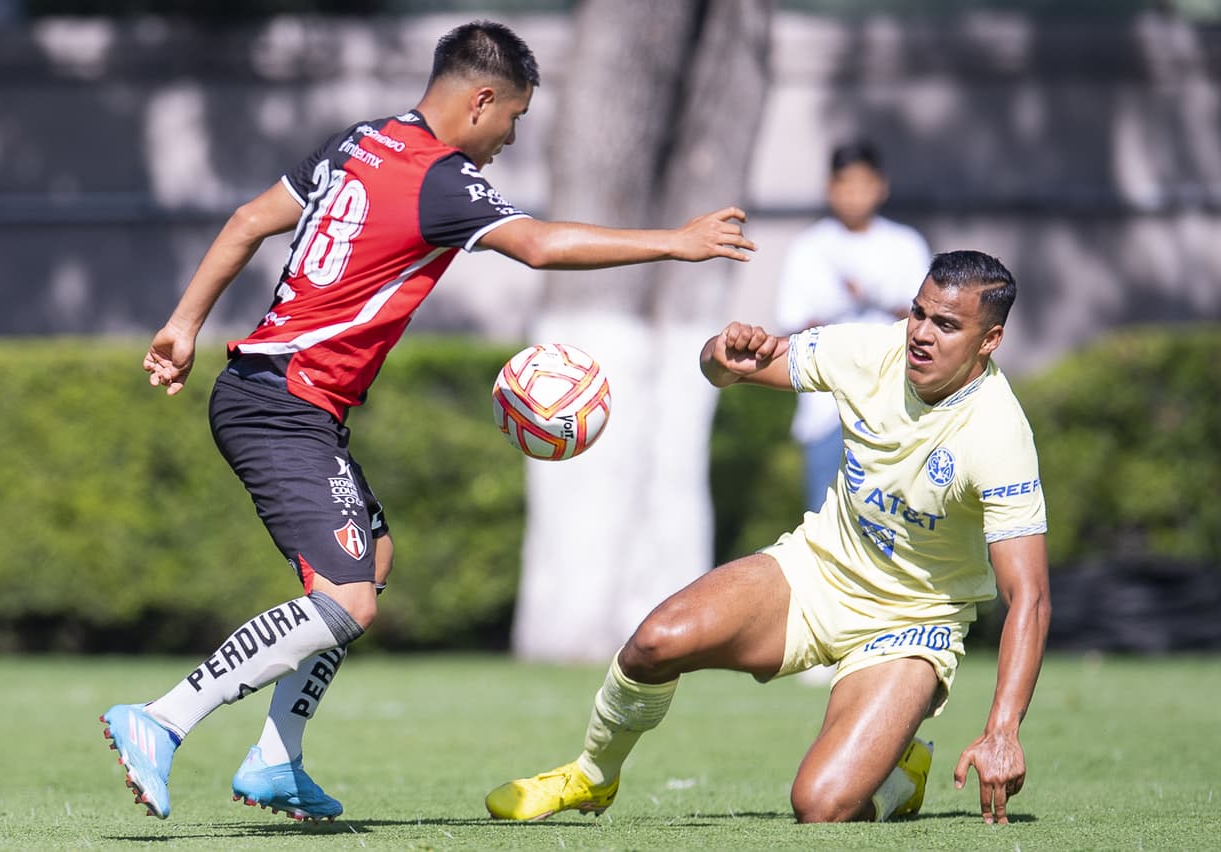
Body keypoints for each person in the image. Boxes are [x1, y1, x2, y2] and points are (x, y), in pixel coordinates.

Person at [99, 19, 754, 822]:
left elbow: (244, 221)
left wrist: (183, 325)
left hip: (276, 393)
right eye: (514, 117)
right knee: (348, 600)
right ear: (482, 100)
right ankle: (162, 721)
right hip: (283, 405)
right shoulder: (440, 178)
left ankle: (276, 757)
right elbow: (540, 246)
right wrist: (675, 242)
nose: (512, 137)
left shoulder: (360, 141)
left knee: (372, 557)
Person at [486, 250, 1051, 826]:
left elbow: (1028, 596)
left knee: (821, 806)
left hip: (912, 621)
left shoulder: (998, 433)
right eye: (919, 313)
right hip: (816, 572)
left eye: (947, 325)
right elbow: (725, 368)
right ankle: (592, 776)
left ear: (991, 340)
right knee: (655, 642)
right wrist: (721, 353)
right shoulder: (868, 351)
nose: (922, 335)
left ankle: (896, 775)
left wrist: (1002, 730)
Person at [775, 140, 931, 514]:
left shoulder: (905, 245)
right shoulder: (809, 248)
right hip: (826, 410)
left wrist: (874, 296)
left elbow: (926, 322)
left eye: (863, 185)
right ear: (830, 189)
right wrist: (843, 305)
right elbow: (792, 326)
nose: (854, 196)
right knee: (824, 520)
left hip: (896, 406)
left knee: (894, 522)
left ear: (881, 187)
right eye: (845, 185)